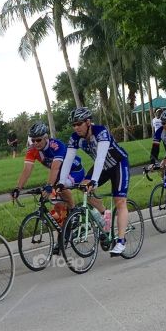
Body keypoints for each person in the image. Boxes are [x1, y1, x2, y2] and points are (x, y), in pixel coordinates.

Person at [58, 107, 132, 255]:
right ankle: (105, 215)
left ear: (88, 122)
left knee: (120, 200)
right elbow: (68, 160)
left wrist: (94, 181)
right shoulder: (75, 138)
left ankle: (121, 241)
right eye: (74, 125)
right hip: (103, 168)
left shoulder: (101, 132)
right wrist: (61, 181)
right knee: (84, 189)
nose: (76, 127)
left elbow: (100, 157)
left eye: (79, 124)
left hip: (118, 164)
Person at [12, 122, 85, 215]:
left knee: (60, 187)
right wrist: (18, 188)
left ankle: (73, 211)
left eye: (38, 140)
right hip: (59, 174)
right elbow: (27, 170)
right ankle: (67, 218)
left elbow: (55, 167)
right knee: (54, 202)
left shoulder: (56, 145)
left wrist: (49, 185)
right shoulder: (32, 150)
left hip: (74, 171)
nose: (35, 143)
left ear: (46, 137)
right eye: (33, 140)